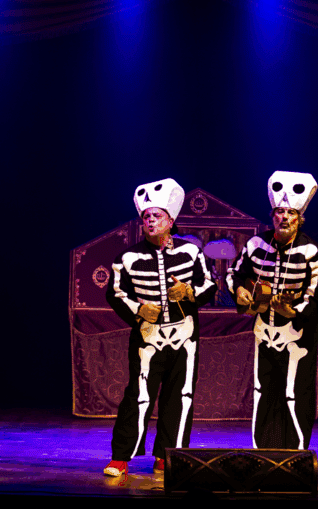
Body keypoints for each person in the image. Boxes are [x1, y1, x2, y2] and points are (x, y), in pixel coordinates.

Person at [104, 178, 216, 476]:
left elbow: (209, 285)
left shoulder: (191, 252)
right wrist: (139, 309)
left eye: (156, 215)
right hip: (148, 337)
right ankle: (121, 457)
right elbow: (115, 293)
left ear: (170, 221)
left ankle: (169, 454)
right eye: (146, 216)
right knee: (138, 395)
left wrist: (189, 292)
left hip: (184, 335)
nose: (150, 220)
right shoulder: (127, 258)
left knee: (180, 395)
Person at [227, 171, 318, 450]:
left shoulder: (312, 251)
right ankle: (264, 452)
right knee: (264, 392)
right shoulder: (256, 245)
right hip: (264, 333)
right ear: (272, 216)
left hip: (297, 336)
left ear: (299, 218)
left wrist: (293, 312)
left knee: (295, 393)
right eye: (279, 212)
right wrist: (240, 291)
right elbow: (234, 274)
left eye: (290, 213)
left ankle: (296, 454)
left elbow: (316, 296)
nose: (284, 217)